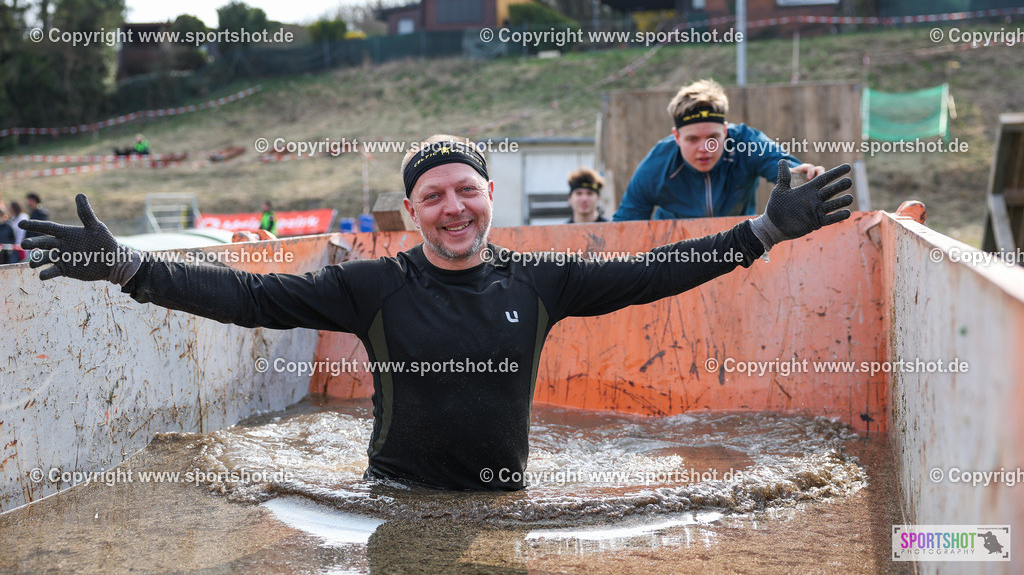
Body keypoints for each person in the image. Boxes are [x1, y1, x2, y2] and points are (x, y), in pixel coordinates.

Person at [20, 134, 853, 492]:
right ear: (410, 212)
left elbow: (649, 276)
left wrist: (764, 230)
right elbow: (246, 297)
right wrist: (128, 267)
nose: (452, 208)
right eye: (433, 196)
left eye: (465, 190)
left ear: (489, 196)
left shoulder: (539, 281)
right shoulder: (372, 286)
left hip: (505, 497)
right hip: (394, 498)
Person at [613, 79, 826, 221]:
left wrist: (803, 178)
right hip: (676, 254)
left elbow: (783, 169)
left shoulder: (746, 142)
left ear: (725, 131)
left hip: (739, 247)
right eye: (692, 139)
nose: (704, 149)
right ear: (676, 137)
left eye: (713, 137)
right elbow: (623, 227)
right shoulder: (656, 166)